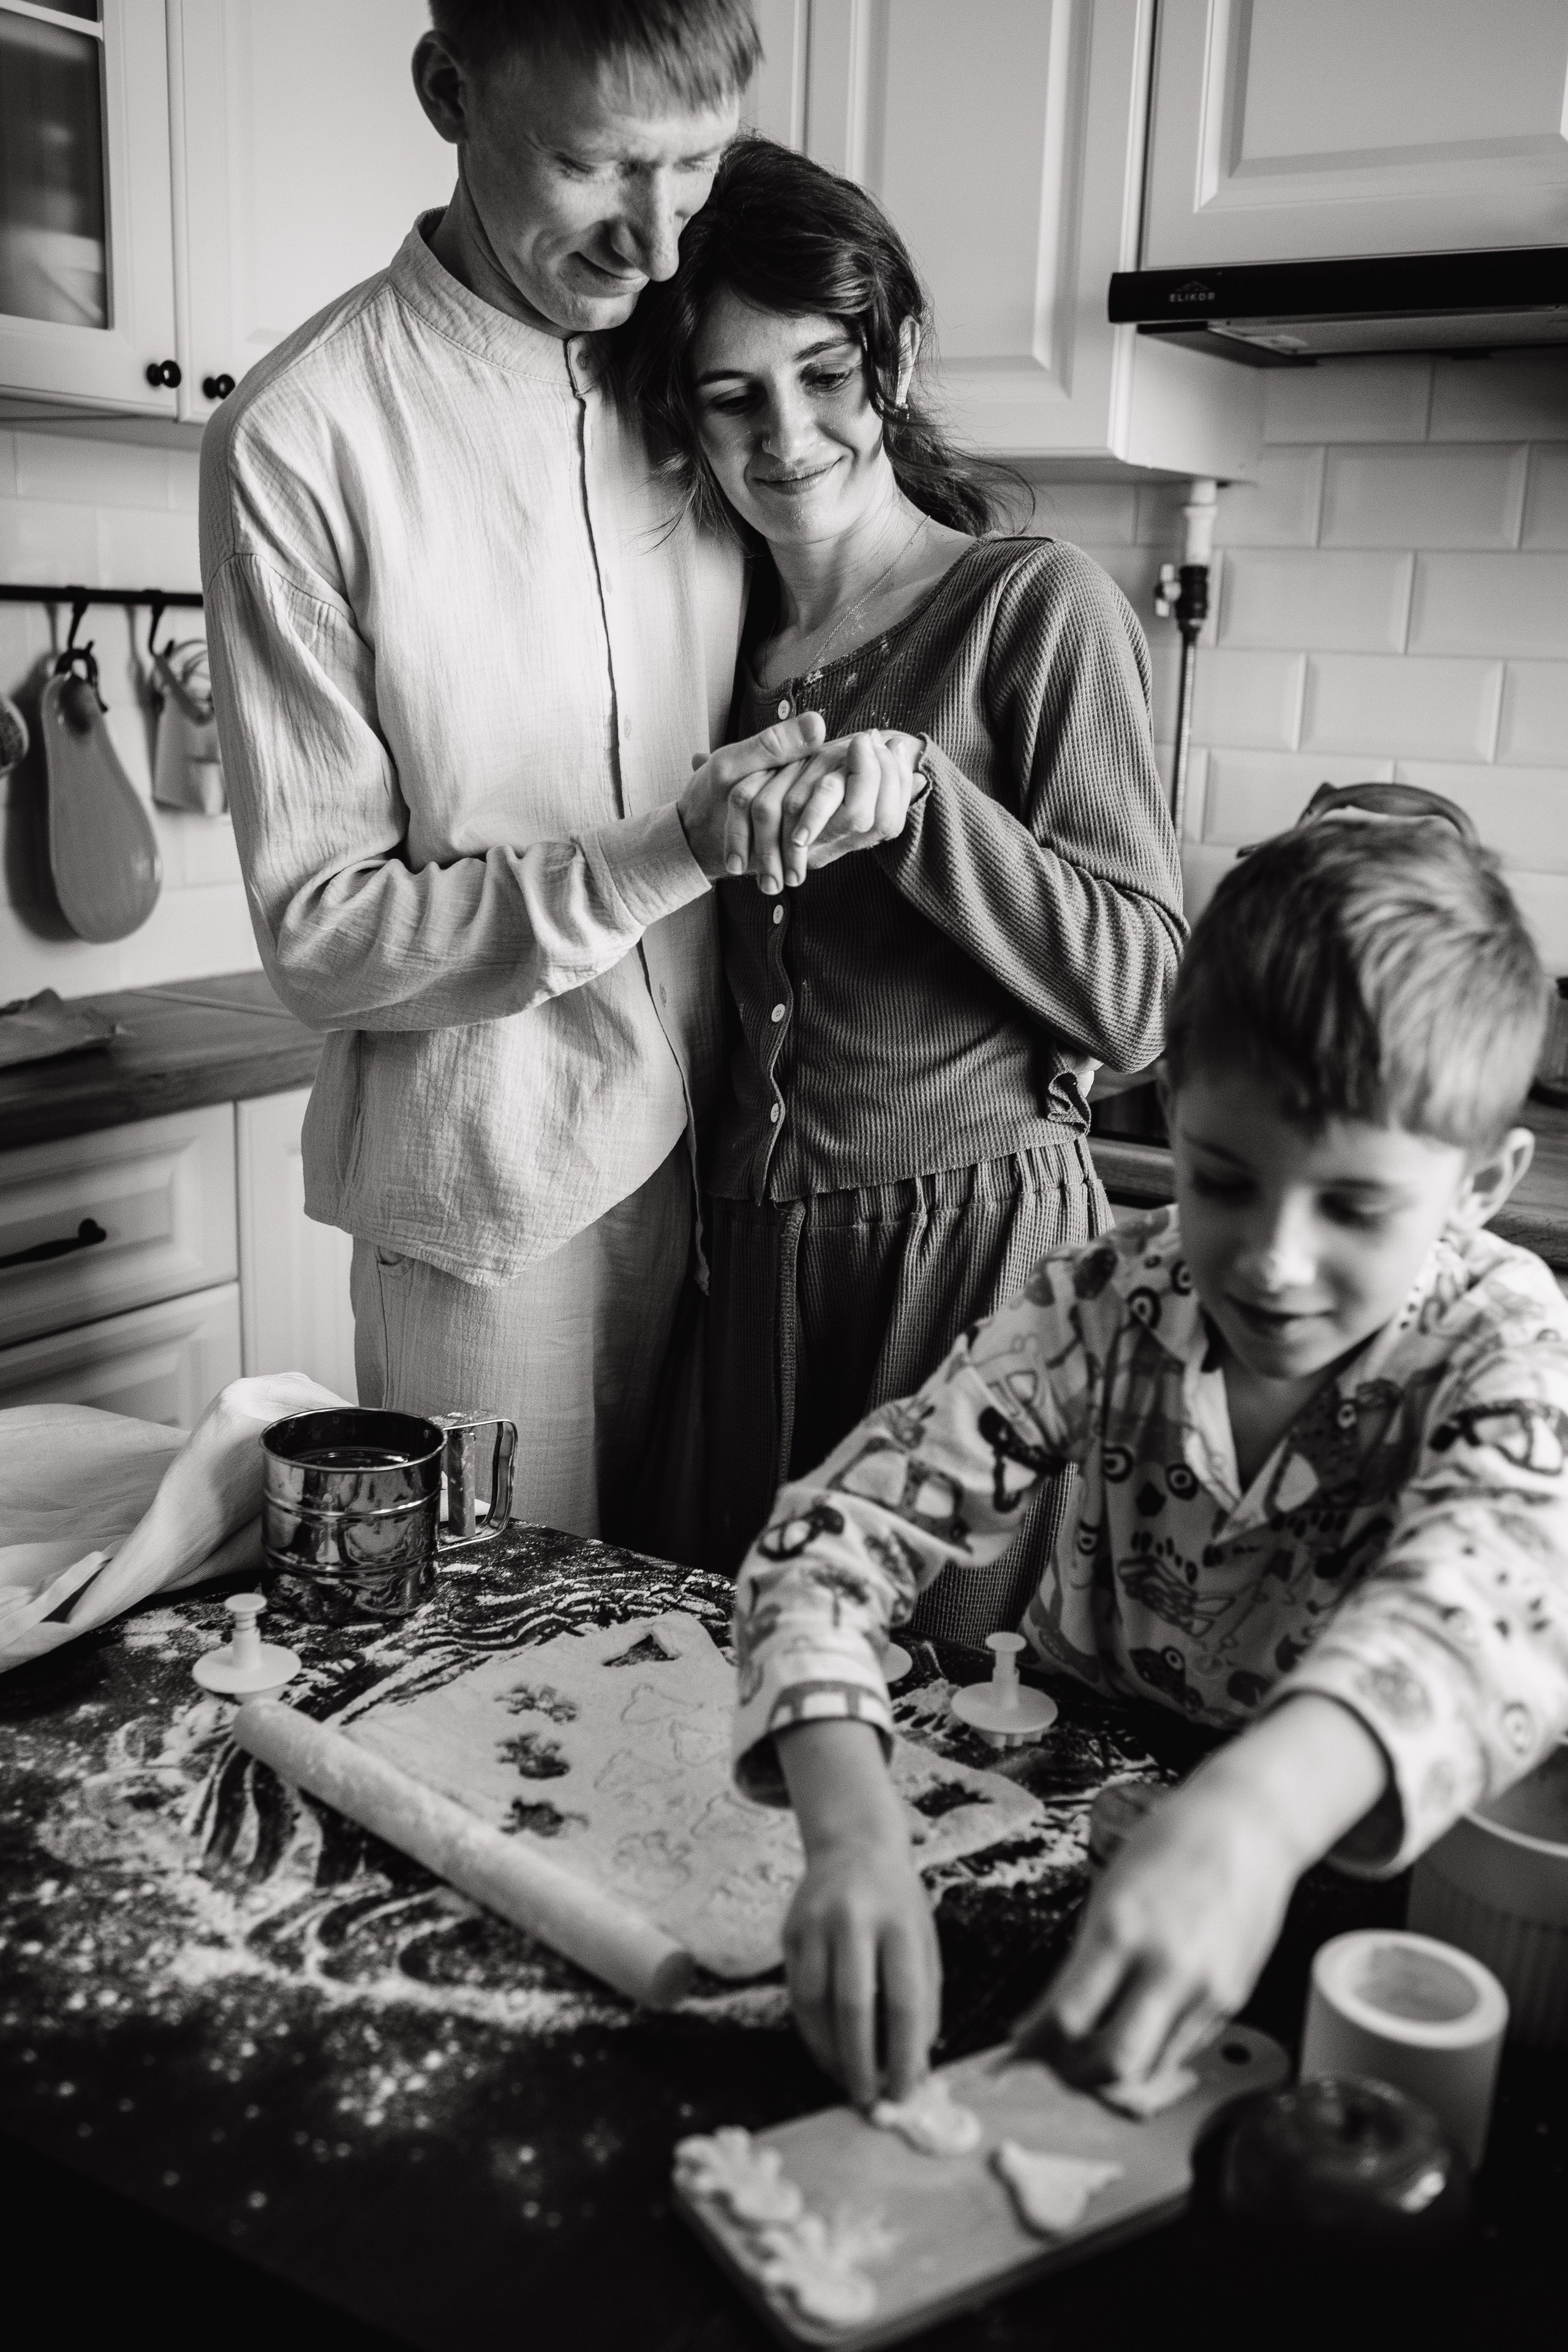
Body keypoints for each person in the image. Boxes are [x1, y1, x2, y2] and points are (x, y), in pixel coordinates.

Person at [200, 3, 915, 1558]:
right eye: (593, 164)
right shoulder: (303, 436)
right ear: (448, 91)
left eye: (697, 165)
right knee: (490, 1684)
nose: (657, 239)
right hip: (488, 1204)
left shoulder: (689, 373)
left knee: (692, 1671)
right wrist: (667, 850)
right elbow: (323, 937)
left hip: (741, 1167)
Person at [728, 814, 1568, 2106]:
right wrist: (850, 1827)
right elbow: (835, 1538)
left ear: (1478, 1184)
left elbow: (1494, 1593)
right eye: (1221, 1181)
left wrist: (1251, 1821)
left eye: (1351, 1207)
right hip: (1076, 1830)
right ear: (1170, 1114)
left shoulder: (1499, 1343)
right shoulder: (1105, 1302)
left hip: (1369, 1882)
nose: (1270, 1261)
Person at [622, 140, 1185, 1637]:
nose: (786, 433)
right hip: (748, 1275)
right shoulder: (712, 655)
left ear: (897, 355)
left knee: (956, 1748)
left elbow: (1140, 1005)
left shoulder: (1030, 605)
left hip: (976, 1269)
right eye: (730, 394)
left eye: (822, 373)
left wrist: (927, 802)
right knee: (723, 1712)